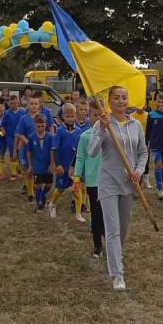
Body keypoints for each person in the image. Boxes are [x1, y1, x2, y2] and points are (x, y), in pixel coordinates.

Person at [88, 86, 148, 291]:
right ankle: (117, 274)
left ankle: (115, 258)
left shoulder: (136, 125)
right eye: (116, 98)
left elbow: (142, 152)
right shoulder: (102, 123)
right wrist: (102, 129)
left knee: (122, 230)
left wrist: (139, 171)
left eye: (124, 97)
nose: (121, 101)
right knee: (112, 230)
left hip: (129, 183)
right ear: (109, 101)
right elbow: (92, 152)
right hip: (108, 182)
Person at [73, 98, 104, 249]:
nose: (98, 118)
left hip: (109, 181)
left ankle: (110, 243)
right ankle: (97, 246)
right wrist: (77, 178)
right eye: (94, 115)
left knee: (108, 215)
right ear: (89, 117)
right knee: (96, 215)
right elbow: (80, 158)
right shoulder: (85, 136)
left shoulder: (110, 135)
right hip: (93, 181)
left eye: (100, 115)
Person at [48, 103, 80, 218]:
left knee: (77, 187)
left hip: (75, 166)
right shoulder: (60, 131)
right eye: (68, 116)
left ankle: (78, 212)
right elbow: (55, 149)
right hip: (63, 165)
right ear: (63, 117)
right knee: (61, 188)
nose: (70, 119)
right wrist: (58, 164)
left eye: (72, 116)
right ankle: (52, 204)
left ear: (75, 116)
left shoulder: (79, 131)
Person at [146, 91, 163, 200]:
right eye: (159, 101)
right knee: (158, 165)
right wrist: (147, 142)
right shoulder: (151, 115)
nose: (161, 104)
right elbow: (148, 131)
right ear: (156, 102)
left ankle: (159, 183)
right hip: (155, 145)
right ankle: (160, 188)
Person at [15, 96, 43, 202]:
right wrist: (27, 141)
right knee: (28, 170)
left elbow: (48, 131)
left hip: (39, 149)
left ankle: (38, 190)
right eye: (31, 103)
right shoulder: (23, 118)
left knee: (39, 170)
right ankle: (30, 192)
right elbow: (18, 133)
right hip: (27, 149)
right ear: (28, 105)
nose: (34, 106)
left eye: (36, 104)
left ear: (39, 105)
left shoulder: (42, 118)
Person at [27, 115, 53, 213]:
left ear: (45, 125)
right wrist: (30, 165)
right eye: (38, 126)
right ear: (35, 125)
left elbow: (52, 151)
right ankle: (39, 205)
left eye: (42, 126)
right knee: (38, 185)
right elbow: (29, 151)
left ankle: (43, 195)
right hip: (37, 165)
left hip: (47, 165)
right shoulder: (31, 137)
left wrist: (52, 164)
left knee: (49, 184)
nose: (41, 128)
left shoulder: (50, 137)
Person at [2, 95, 26, 182]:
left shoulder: (23, 112)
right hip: (10, 136)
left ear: (18, 103)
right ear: (9, 103)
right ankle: (13, 173)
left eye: (15, 103)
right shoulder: (7, 113)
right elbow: (2, 125)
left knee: (21, 153)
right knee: (13, 153)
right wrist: (3, 130)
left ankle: (20, 169)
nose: (13, 105)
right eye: (11, 103)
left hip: (21, 136)